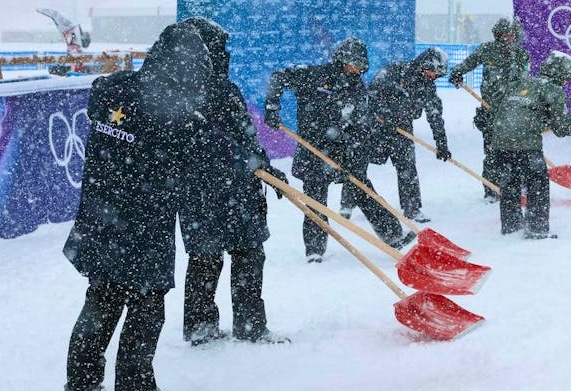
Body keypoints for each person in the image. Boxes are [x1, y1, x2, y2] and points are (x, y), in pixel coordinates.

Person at [63, 23, 211, 391]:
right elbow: (188, 164)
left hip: (100, 213)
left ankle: (81, 379)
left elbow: (105, 108)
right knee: (147, 307)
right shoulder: (174, 112)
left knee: (102, 297)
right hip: (144, 223)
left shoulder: (110, 88)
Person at [178, 17, 290, 346]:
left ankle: (251, 325)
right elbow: (199, 146)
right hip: (202, 192)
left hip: (241, 190)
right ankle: (200, 327)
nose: (224, 55)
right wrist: (242, 162)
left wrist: (265, 167)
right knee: (206, 259)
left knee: (249, 255)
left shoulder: (227, 89)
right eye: (218, 49)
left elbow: (246, 136)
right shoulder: (179, 94)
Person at [263, 37, 414, 262]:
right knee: (315, 200)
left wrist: (355, 154)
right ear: (342, 60)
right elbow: (278, 77)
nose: (358, 70)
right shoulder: (313, 75)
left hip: (345, 150)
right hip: (313, 150)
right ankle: (315, 250)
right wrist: (272, 107)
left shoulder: (357, 87)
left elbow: (361, 124)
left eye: (361, 66)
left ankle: (392, 236)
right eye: (355, 64)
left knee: (363, 189)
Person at [487, 51, 571, 239]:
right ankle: (537, 229)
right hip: (526, 145)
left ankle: (511, 226)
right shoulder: (553, 90)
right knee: (537, 186)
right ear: (560, 74)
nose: (566, 83)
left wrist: (539, 121)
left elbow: (510, 110)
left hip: (499, 143)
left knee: (510, 186)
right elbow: (561, 128)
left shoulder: (520, 84)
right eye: (567, 78)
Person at [339, 47, 452, 223]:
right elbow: (372, 92)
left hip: (402, 129)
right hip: (374, 126)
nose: (434, 76)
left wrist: (442, 143)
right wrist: (384, 113)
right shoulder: (395, 71)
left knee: (407, 167)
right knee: (358, 164)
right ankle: (347, 204)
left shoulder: (428, 86)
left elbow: (435, 115)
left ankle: (412, 208)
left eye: (437, 74)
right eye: (432, 72)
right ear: (424, 65)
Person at [448, 17, 530, 202]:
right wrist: (457, 72)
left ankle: (520, 188)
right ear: (497, 35)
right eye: (503, 35)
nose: (507, 38)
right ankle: (491, 191)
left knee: (519, 152)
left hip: (515, 112)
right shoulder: (487, 50)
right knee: (493, 153)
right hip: (490, 111)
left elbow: (527, 81)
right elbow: (468, 63)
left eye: (510, 35)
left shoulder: (521, 55)